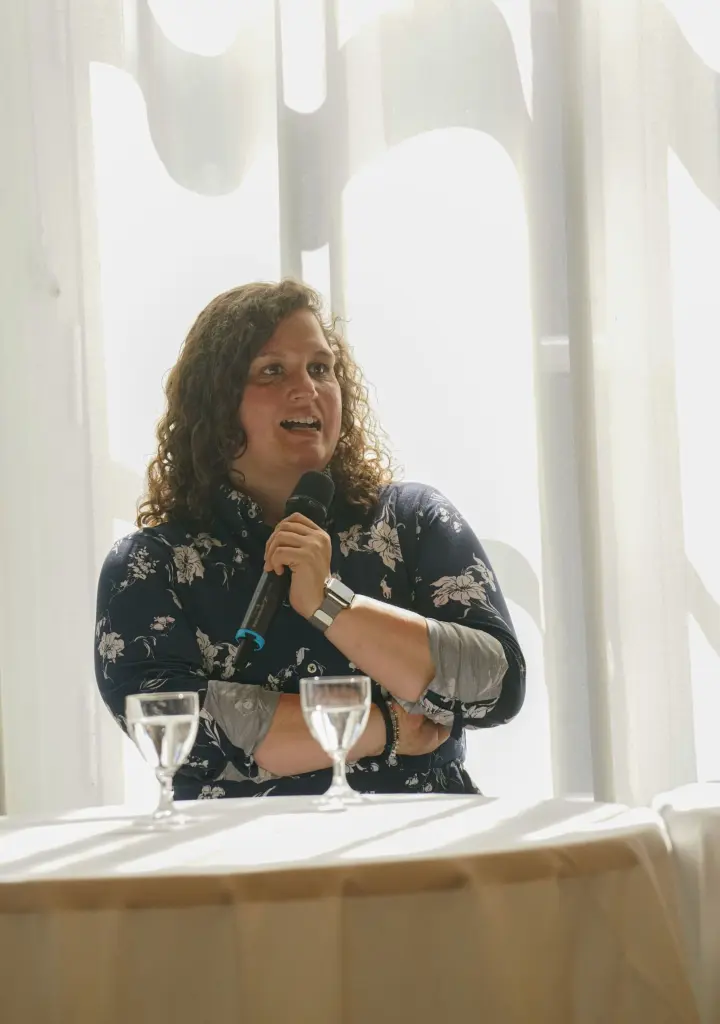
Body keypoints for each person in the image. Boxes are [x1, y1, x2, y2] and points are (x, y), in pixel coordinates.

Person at [94, 280, 526, 799]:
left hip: (424, 841)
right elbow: (186, 735)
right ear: (216, 402)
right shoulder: (149, 564)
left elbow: (497, 686)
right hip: (244, 849)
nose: (307, 388)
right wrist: (386, 727)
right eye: (272, 371)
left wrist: (331, 604)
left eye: (321, 368)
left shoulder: (412, 520)